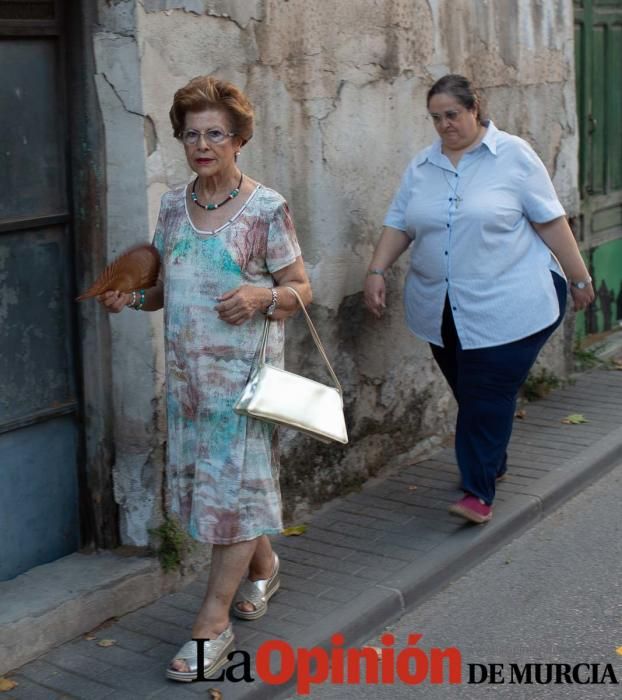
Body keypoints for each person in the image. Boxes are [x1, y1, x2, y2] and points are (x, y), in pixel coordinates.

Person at [98, 75, 312, 681]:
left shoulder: (266, 208)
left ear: (239, 138)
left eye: (215, 132)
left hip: (245, 385)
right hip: (192, 388)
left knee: (229, 498)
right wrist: (130, 300)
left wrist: (261, 295)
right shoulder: (172, 205)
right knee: (227, 498)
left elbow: (301, 288)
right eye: (191, 134)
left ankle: (211, 623)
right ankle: (264, 566)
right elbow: (166, 291)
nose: (202, 144)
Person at [364, 74, 594, 525]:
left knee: (486, 393)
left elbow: (550, 221)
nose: (445, 125)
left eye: (452, 114)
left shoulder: (513, 156)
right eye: (435, 118)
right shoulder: (422, 166)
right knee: (471, 393)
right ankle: (492, 459)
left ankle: (478, 491)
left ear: (475, 108)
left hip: (513, 301)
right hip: (442, 307)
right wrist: (376, 270)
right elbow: (400, 223)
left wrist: (579, 277)